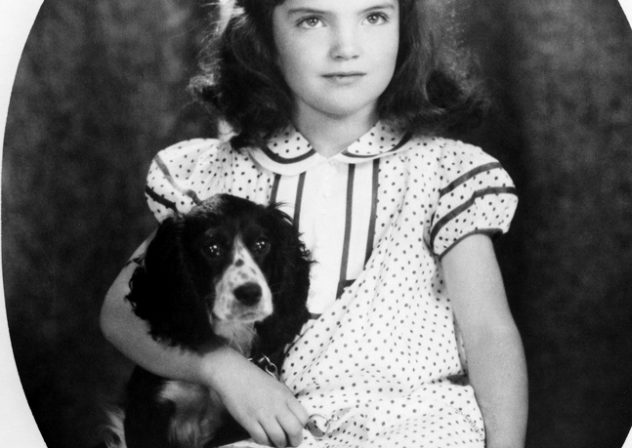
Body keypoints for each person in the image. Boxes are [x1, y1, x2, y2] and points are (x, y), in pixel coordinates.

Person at [100, 0, 528, 447]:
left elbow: (489, 335)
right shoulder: (213, 173)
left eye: (374, 16)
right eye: (312, 20)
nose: (346, 47)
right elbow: (121, 314)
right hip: (283, 428)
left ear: (407, 28)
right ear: (263, 35)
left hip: (418, 421)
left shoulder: (444, 173)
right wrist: (223, 370)